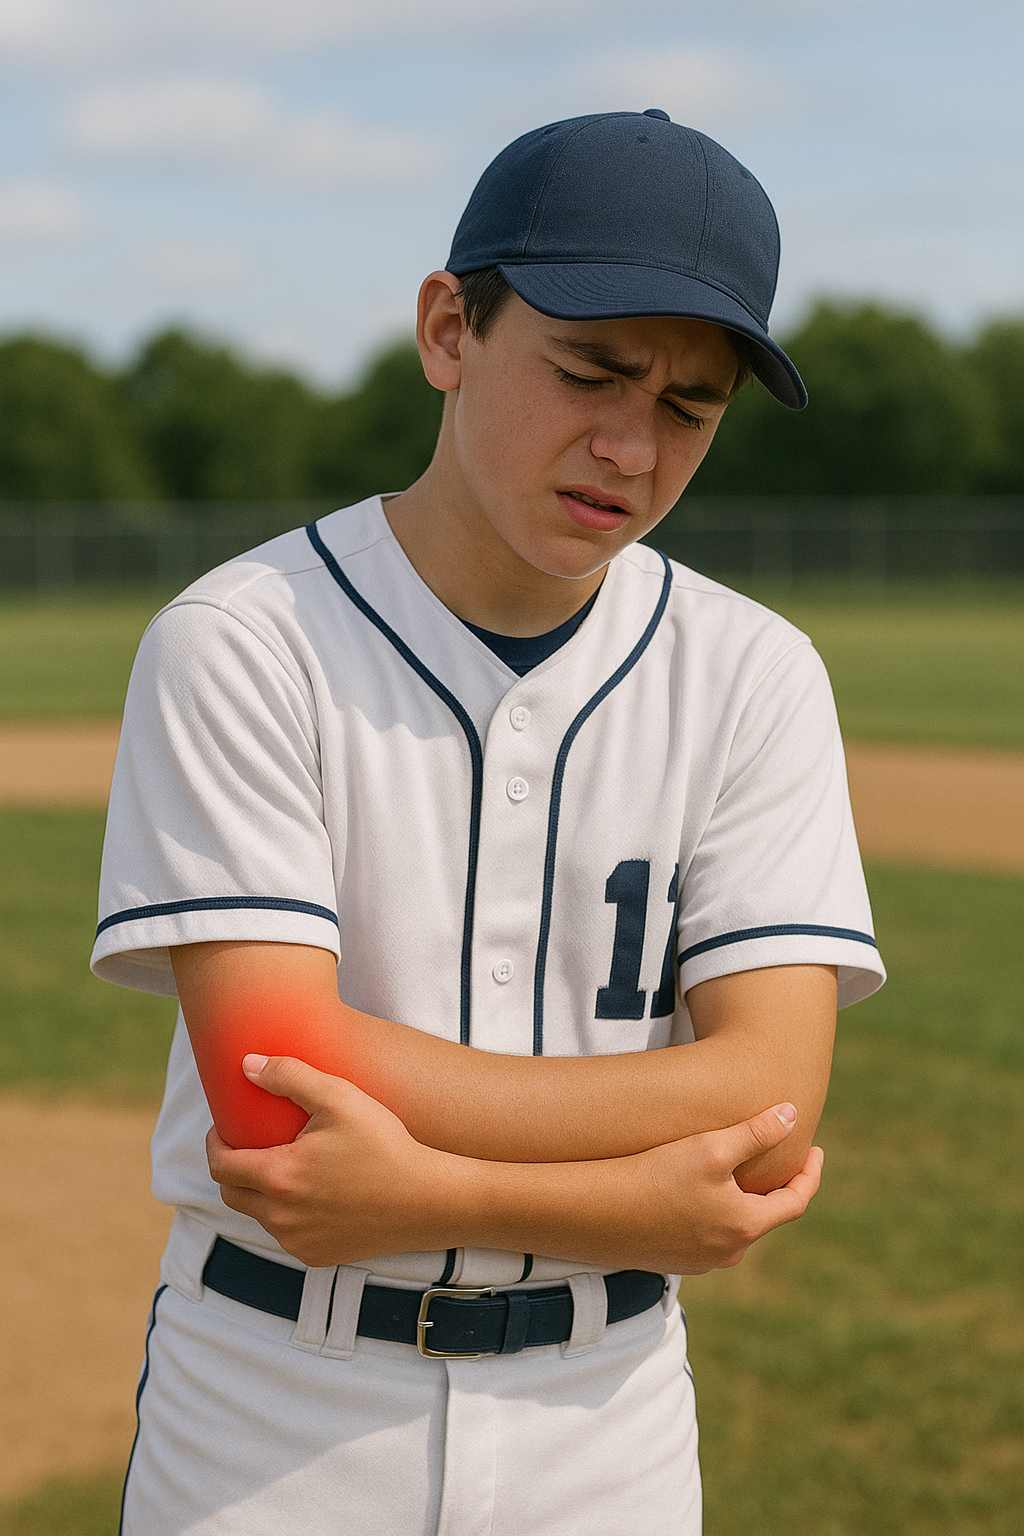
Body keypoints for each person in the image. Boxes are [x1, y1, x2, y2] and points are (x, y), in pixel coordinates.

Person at [93, 110, 885, 1535]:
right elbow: (274, 1093)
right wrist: (644, 1199)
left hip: (609, 1423)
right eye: (589, 371)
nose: (630, 447)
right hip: (275, 1415)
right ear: (449, 329)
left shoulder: (754, 672)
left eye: (691, 407)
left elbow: (772, 1112)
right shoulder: (245, 638)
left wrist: (423, 1187)